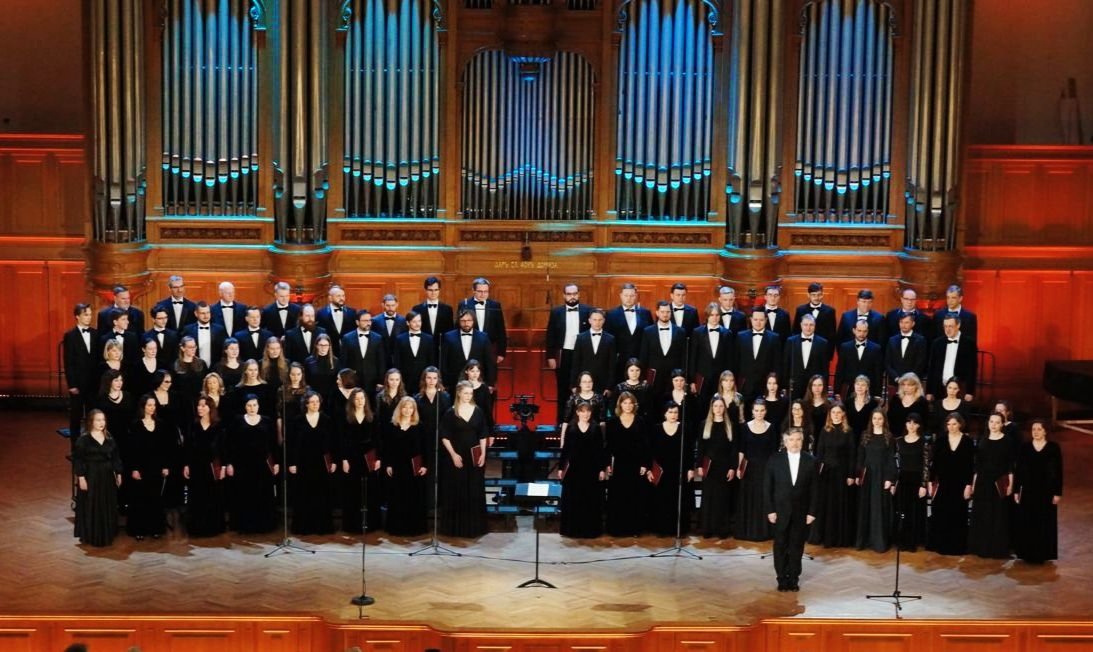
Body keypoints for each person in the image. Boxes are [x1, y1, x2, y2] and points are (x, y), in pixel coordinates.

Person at [763, 427, 819, 592]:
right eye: (791, 440)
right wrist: (770, 510)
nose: (795, 443)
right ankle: (781, 578)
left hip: (801, 512)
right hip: (780, 511)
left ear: (802, 441)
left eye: (798, 439)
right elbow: (767, 487)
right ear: (785, 442)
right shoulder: (775, 459)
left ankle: (794, 579)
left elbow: (815, 489)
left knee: (796, 546)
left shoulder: (810, 460)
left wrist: (812, 512)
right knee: (780, 545)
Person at [439, 380, 489, 537]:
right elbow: (444, 436)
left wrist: (483, 454)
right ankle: (456, 528)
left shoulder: (478, 411)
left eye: (470, 393)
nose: (468, 396)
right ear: (459, 393)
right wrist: (453, 455)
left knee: (474, 489)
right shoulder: (451, 412)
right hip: (457, 455)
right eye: (466, 393)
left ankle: (474, 527)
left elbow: (483, 435)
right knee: (457, 489)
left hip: (474, 456)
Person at [225, 394, 279, 534]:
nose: (252, 408)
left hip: (263, 465)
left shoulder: (267, 421)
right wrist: (229, 463)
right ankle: (245, 525)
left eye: (254, 405)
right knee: (244, 494)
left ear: (258, 406)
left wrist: (276, 462)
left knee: (263, 494)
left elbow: (273, 443)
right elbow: (230, 443)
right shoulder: (237, 421)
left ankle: (263, 524)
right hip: (243, 465)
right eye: (249, 405)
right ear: (245, 407)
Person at [287, 391, 336, 535]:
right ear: (306, 404)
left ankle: (322, 526)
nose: (315, 404)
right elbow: (291, 444)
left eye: (317, 402)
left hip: (322, 463)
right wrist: (292, 463)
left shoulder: (327, 420)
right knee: (304, 494)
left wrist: (333, 461)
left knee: (322, 494)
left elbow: (333, 443)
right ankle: (304, 527)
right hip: (303, 462)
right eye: (312, 402)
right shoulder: (297, 420)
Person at [1014, 419, 1063, 563]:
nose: (1035, 432)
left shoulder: (1053, 448)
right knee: (1027, 520)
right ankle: (1027, 552)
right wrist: (1016, 490)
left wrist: (1057, 492)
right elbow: (1019, 470)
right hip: (1028, 490)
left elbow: (1058, 471)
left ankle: (1043, 553)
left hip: (1046, 491)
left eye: (1039, 429)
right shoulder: (1025, 447)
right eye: (1033, 429)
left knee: (1045, 521)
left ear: (1045, 431)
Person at [808, 402, 856, 547]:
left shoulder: (848, 432)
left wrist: (851, 475)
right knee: (826, 505)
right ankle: (825, 537)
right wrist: (817, 472)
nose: (836, 415)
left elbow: (852, 455)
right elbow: (819, 453)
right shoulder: (824, 431)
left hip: (842, 473)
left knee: (839, 505)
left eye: (838, 412)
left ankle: (839, 539)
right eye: (833, 412)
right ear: (830, 414)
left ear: (843, 414)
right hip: (826, 474)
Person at [72, 410, 123, 547]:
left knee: (106, 503)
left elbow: (115, 457)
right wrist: (81, 477)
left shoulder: (109, 437)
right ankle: (91, 535)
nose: (102, 423)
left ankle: (106, 533)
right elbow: (78, 460)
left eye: (103, 420)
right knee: (92, 504)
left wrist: (118, 473)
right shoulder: (84, 439)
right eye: (98, 420)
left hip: (107, 476)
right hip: (91, 475)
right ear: (91, 422)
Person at [967, 413, 1015, 559]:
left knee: (998, 515)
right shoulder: (983, 440)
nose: (993, 425)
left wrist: (1010, 484)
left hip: (999, 481)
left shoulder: (1007, 441)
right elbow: (978, 465)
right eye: (991, 422)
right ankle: (981, 547)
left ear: (1002, 424)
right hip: (983, 482)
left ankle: (997, 548)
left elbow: (1010, 465)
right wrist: (973, 483)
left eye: (997, 422)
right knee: (983, 514)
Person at [559, 401, 608, 538]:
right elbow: (566, 449)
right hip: (574, 469)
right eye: (583, 411)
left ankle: (589, 530)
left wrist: (602, 469)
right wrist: (561, 467)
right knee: (574, 499)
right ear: (577, 412)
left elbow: (600, 450)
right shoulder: (571, 428)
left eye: (588, 411)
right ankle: (573, 530)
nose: (586, 414)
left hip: (591, 469)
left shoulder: (596, 428)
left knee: (590, 500)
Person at [927, 412, 974, 556]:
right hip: (943, 483)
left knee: (958, 515)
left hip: (960, 484)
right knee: (941, 514)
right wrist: (930, 481)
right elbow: (934, 463)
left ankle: (956, 546)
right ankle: (941, 544)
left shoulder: (967, 442)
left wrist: (969, 485)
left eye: (954, 424)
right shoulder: (941, 440)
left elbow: (970, 465)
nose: (951, 427)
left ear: (960, 424)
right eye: (949, 424)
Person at [604, 391, 650, 537]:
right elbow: (608, 446)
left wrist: (644, 464)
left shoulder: (640, 421)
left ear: (634, 405)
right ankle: (617, 528)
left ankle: (634, 528)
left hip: (636, 464)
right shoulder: (612, 422)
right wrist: (607, 464)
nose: (628, 406)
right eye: (625, 403)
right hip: (618, 464)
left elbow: (645, 445)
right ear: (620, 404)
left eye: (630, 403)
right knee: (618, 496)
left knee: (635, 496)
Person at [647, 402, 694, 537]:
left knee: (679, 499)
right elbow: (650, 451)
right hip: (662, 471)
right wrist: (650, 469)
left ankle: (679, 529)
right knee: (662, 500)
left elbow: (689, 450)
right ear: (665, 414)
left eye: (675, 412)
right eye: (670, 412)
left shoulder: (684, 428)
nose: (673, 415)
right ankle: (662, 528)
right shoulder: (656, 429)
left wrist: (690, 469)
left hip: (679, 470)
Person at [127, 394, 170, 540]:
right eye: (149, 405)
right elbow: (132, 450)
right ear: (143, 407)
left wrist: (165, 466)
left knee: (155, 498)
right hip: (141, 467)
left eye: (154, 405)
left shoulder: (161, 424)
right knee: (140, 498)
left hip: (156, 467)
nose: (152, 408)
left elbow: (165, 448)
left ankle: (155, 528)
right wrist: (134, 468)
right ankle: (139, 529)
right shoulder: (135, 425)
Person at [545, 283, 592, 420]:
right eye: (569, 294)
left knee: (584, 387)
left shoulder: (588, 311)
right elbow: (550, 335)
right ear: (564, 295)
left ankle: (583, 421)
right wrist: (550, 356)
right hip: (564, 354)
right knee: (563, 389)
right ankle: (562, 421)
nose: (572, 297)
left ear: (579, 294)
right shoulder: (556, 312)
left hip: (583, 355)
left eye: (575, 294)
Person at [383, 396, 428, 536]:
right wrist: (388, 464)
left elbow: (426, 448)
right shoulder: (392, 426)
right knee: (397, 496)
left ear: (414, 410)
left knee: (413, 496)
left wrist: (425, 465)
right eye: (405, 407)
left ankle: (413, 528)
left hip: (414, 467)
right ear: (400, 409)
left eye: (411, 408)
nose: (408, 410)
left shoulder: (419, 426)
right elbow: (387, 447)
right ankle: (397, 528)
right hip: (397, 466)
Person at [339, 387, 381, 533]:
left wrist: (378, 458)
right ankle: (353, 524)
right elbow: (342, 440)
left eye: (362, 398)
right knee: (352, 490)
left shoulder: (372, 417)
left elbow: (377, 439)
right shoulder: (346, 418)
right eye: (356, 399)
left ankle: (371, 523)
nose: (360, 401)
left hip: (369, 456)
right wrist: (344, 459)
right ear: (352, 401)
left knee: (371, 490)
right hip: (352, 456)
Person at [735, 399, 778, 542]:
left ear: (766, 411)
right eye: (756, 410)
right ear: (752, 412)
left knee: (763, 497)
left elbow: (773, 452)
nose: (759, 413)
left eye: (762, 410)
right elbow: (741, 450)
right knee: (748, 498)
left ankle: (763, 532)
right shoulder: (745, 427)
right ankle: (746, 531)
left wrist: (773, 471)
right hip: (748, 468)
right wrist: (739, 467)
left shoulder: (771, 427)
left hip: (765, 468)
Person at [696, 397, 738, 539]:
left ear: (724, 408)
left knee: (722, 498)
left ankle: (722, 529)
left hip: (724, 466)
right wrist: (699, 465)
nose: (718, 409)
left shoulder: (730, 425)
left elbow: (734, 449)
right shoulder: (704, 424)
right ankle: (707, 529)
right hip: (709, 466)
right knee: (708, 497)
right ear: (712, 408)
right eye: (715, 406)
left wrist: (732, 467)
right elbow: (701, 447)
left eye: (721, 406)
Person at [855, 409, 896, 553]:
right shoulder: (865, 435)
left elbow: (891, 459)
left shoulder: (888, 437)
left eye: (880, 418)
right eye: (874, 418)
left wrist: (889, 478)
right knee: (865, 507)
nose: (877, 421)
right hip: (867, 475)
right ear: (871, 420)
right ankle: (863, 541)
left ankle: (878, 542)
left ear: (884, 420)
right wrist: (858, 474)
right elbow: (860, 456)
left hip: (881, 476)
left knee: (879, 508)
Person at [185, 396, 226, 537]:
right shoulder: (193, 425)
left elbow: (223, 448)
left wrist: (224, 467)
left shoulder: (218, 426)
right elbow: (188, 447)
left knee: (213, 496)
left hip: (212, 467)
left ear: (210, 408)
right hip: (196, 466)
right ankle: (197, 527)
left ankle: (213, 527)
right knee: (197, 497)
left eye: (203, 405)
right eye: (199, 405)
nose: (200, 408)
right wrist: (186, 465)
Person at [893, 413, 930, 552]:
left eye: (915, 423)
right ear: (906, 424)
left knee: (915, 512)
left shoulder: (924, 442)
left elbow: (926, 465)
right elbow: (896, 463)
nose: (911, 425)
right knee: (902, 511)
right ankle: (902, 540)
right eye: (909, 422)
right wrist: (894, 482)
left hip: (917, 480)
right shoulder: (898, 441)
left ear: (919, 425)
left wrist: (923, 485)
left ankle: (913, 542)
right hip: (903, 480)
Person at [605, 283, 653, 384]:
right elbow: (608, 340)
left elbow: (650, 336)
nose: (629, 298)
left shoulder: (646, 313)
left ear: (636, 296)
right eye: (626, 295)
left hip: (640, 360)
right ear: (621, 296)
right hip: (619, 361)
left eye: (631, 295)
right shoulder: (611, 314)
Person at [64, 303, 98, 444]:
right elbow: (68, 362)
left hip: (93, 384)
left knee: (93, 416)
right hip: (77, 384)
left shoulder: (95, 333)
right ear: (77, 316)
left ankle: (91, 445)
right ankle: (75, 448)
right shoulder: (70, 336)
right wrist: (72, 384)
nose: (89, 317)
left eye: (90, 314)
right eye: (85, 314)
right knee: (76, 417)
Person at [638, 300, 686, 398]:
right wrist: (643, 377)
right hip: (654, 376)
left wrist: (683, 376)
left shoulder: (680, 331)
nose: (665, 314)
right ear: (657, 313)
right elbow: (644, 356)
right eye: (662, 312)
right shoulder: (648, 331)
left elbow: (684, 356)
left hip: (674, 377)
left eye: (668, 312)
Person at [689, 302, 732, 411]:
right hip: (702, 378)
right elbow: (693, 357)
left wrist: (728, 380)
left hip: (720, 379)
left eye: (717, 315)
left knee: (719, 407)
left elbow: (729, 359)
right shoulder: (697, 332)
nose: (714, 318)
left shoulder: (727, 333)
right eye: (712, 315)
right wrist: (692, 380)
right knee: (701, 407)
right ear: (707, 316)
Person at [733, 309, 782, 401]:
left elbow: (777, 365)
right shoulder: (741, 336)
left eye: (761, 320)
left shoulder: (774, 338)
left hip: (766, 387)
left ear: (766, 320)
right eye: (755, 319)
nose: (758, 323)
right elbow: (736, 362)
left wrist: (774, 385)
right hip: (745, 386)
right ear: (751, 319)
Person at [440, 309, 495, 391]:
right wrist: (443, 382)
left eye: (469, 320)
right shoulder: (449, 336)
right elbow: (443, 361)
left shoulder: (483, 337)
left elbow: (489, 362)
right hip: (453, 382)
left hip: (478, 382)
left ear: (474, 321)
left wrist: (490, 383)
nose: (466, 323)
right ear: (459, 321)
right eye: (463, 321)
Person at [457, 277, 508, 365]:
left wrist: (501, 352)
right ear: (473, 290)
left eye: (486, 291)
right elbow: (458, 327)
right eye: (480, 291)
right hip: (469, 347)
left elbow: (500, 329)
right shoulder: (464, 304)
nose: (483, 294)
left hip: (489, 348)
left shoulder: (495, 305)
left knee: (489, 372)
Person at [927, 315, 978, 401]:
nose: (947, 329)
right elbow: (932, 368)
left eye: (950, 326)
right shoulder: (937, 343)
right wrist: (929, 391)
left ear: (958, 325)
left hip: (960, 389)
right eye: (945, 326)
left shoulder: (969, 343)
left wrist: (970, 391)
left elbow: (972, 369)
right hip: (939, 389)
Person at [783, 314, 832, 400]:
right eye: (805, 325)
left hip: (815, 387)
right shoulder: (791, 341)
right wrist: (784, 385)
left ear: (815, 326)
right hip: (795, 386)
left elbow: (825, 368)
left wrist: (824, 387)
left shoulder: (823, 343)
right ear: (801, 325)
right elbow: (786, 364)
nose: (808, 328)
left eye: (811, 325)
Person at [570, 308, 616, 395]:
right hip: (584, 382)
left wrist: (609, 386)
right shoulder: (580, 338)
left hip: (603, 383)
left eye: (600, 320)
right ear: (589, 321)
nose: (597, 322)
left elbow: (612, 365)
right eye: (594, 320)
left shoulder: (610, 339)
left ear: (604, 321)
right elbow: (576, 363)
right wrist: (574, 384)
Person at [340, 310, 387, 393]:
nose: (368, 323)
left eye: (370, 320)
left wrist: (380, 381)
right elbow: (344, 361)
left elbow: (381, 361)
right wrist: (344, 380)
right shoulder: (347, 338)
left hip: (372, 381)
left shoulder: (378, 338)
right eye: (365, 320)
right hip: (353, 380)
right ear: (357, 322)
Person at [835, 319, 882, 399]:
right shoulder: (845, 347)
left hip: (869, 390)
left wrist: (878, 394)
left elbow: (878, 373)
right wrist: (837, 391)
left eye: (864, 331)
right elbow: (840, 370)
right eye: (859, 330)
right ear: (854, 330)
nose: (861, 334)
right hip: (849, 389)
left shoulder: (876, 348)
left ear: (868, 331)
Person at [393, 311, 435, 395]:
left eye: (419, 321)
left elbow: (432, 360)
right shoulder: (400, 339)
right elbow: (397, 361)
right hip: (405, 379)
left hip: (423, 379)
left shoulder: (429, 339)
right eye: (414, 321)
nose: (417, 324)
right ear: (408, 323)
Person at [560, 371, 605, 447]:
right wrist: (562, 441)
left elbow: (602, 421)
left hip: (593, 434)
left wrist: (603, 440)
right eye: (584, 382)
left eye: (590, 381)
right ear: (579, 384)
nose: (587, 384)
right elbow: (566, 421)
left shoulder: (599, 398)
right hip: (575, 434)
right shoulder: (573, 398)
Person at [884, 313, 929, 387]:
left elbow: (921, 362)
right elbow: (888, 363)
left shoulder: (921, 340)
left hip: (913, 382)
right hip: (895, 382)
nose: (903, 325)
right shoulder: (892, 340)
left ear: (913, 324)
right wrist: (896, 378)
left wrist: (909, 379)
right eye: (901, 322)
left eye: (906, 322)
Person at [180, 302, 228, 368]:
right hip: (194, 368)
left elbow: (224, 350)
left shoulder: (219, 330)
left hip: (215, 368)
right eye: (203, 313)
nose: (206, 316)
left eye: (208, 312)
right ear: (196, 314)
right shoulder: (188, 330)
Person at [315, 285, 356, 358]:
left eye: (343, 296)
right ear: (330, 298)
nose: (342, 298)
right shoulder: (321, 313)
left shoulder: (352, 313)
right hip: (329, 353)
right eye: (338, 296)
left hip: (348, 353)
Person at [412, 276, 455, 343]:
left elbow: (450, 332)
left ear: (439, 290)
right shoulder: (417, 309)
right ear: (426, 290)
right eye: (430, 290)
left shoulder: (447, 309)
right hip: (423, 345)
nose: (433, 293)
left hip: (441, 346)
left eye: (436, 290)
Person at [886, 373, 929, 437]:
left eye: (909, 385)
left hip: (915, 437)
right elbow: (889, 418)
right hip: (895, 436)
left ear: (916, 386)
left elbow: (925, 423)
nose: (906, 387)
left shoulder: (922, 402)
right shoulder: (895, 399)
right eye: (903, 384)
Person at [304, 334, 339, 401]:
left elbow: (336, 382)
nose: (323, 348)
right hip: (313, 397)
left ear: (329, 346)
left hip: (330, 398)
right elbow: (307, 381)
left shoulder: (335, 361)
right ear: (316, 345)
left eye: (326, 345)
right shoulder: (309, 361)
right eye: (321, 345)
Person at [374, 294, 409, 358]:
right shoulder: (375, 320)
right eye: (388, 305)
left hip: (398, 357)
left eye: (393, 305)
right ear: (383, 305)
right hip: (381, 357)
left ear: (397, 305)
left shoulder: (404, 321)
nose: (390, 308)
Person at [804, 375, 831, 443]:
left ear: (824, 387)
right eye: (814, 385)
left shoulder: (829, 404)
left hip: (824, 438)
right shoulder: (804, 404)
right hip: (807, 438)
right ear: (810, 387)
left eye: (820, 385)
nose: (817, 388)